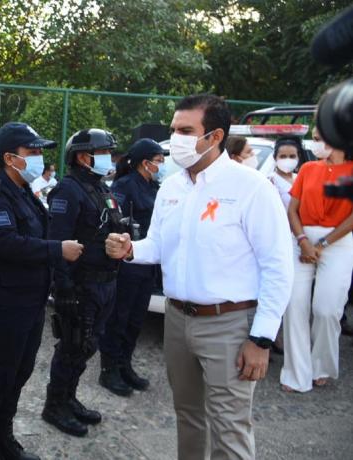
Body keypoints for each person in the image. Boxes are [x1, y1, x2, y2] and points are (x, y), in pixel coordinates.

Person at [105, 94, 293, 459]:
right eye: (174, 129)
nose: (176, 137)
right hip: (177, 321)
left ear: (215, 136)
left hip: (229, 324)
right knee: (188, 415)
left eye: (186, 130)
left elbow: (277, 265)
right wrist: (131, 249)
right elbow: (158, 244)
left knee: (230, 424)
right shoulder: (172, 188)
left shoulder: (251, 188)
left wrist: (262, 339)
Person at [0, 122, 83, 459]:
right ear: (9, 157)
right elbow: (4, 243)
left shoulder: (24, 194)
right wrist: (56, 250)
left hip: (28, 303)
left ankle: (4, 438)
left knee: (17, 374)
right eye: (32, 152)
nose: (39, 158)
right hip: (1, 304)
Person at [42, 128, 125, 438]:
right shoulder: (68, 190)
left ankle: (69, 397)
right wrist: (62, 289)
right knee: (72, 346)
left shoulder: (101, 188)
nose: (110, 159)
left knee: (88, 346)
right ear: (82, 156)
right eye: (104, 153)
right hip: (81, 285)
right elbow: (58, 241)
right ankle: (54, 405)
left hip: (106, 282)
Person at [281, 122, 353, 393]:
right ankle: (295, 373)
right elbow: (293, 210)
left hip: (338, 244)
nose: (315, 143)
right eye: (314, 138)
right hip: (300, 241)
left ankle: (321, 366)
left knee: (326, 309)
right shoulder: (308, 169)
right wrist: (302, 241)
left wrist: (322, 244)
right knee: (294, 305)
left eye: (320, 138)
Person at [98, 138, 165, 396]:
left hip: (148, 263)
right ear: (144, 162)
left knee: (136, 319)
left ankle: (125, 364)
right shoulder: (125, 186)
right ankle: (109, 369)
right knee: (119, 317)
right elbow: (115, 220)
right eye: (158, 160)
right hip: (129, 262)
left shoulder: (154, 186)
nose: (161, 164)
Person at [268, 136, 303, 210]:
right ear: (275, 158)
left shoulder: (300, 178)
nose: (287, 160)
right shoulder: (271, 181)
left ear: (298, 157)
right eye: (283, 156)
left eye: (292, 156)